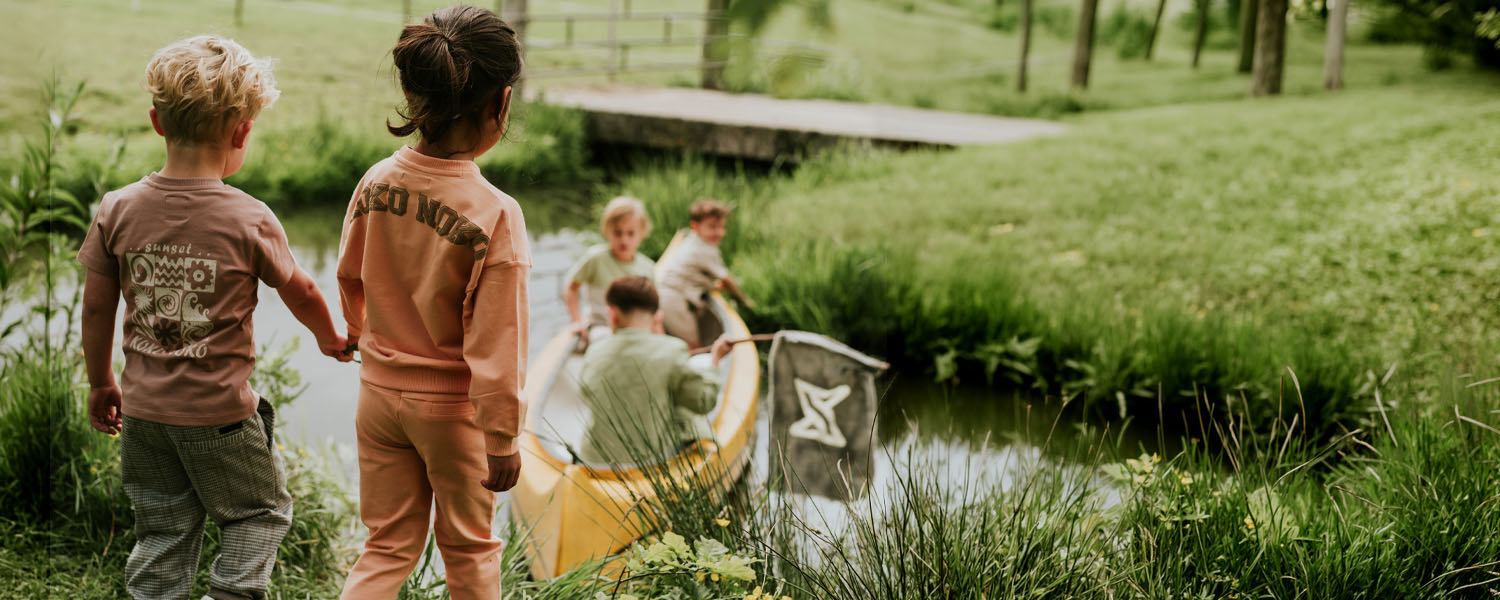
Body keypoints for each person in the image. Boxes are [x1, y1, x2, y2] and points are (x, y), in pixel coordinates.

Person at [78, 35, 349, 600]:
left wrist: (101, 381)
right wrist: (330, 338)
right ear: (242, 132)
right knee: (258, 514)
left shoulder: (116, 209)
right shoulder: (249, 218)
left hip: (144, 414)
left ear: (157, 122)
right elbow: (300, 289)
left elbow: (98, 305)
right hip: (220, 416)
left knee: (162, 526)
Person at [335, 6, 528, 599]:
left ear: (413, 95)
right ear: (500, 104)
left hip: (378, 394)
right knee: (470, 550)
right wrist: (503, 438)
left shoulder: (375, 181)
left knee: (386, 546)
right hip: (453, 412)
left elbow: (350, 276)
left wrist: (361, 334)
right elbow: (499, 343)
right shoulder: (496, 214)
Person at [575, 276, 732, 465]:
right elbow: (703, 402)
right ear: (658, 316)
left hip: (595, 462)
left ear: (612, 314)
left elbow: (585, 394)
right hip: (651, 460)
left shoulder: (594, 351)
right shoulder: (673, 349)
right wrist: (715, 361)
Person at [655, 198, 753, 348]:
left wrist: (712, 285)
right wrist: (743, 301)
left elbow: (694, 275)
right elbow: (727, 280)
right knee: (694, 345)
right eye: (712, 227)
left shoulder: (692, 240)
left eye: (722, 227)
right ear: (695, 226)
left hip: (666, 295)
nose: (719, 232)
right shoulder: (704, 250)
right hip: (674, 302)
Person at [563, 196, 655, 347]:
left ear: (642, 233)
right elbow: (571, 288)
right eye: (618, 233)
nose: (624, 240)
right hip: (601, 327)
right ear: (607, 231)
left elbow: (653, 311)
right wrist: (576, 321)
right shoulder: (595, 258)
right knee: (607, 343)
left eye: (631, 233)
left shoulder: (648, 267)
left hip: (637, 331)